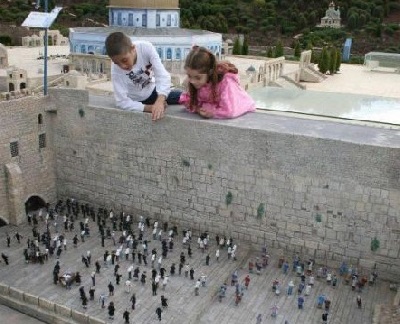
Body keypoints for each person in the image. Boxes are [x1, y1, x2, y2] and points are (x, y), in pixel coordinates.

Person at [105, 32, 181, 121]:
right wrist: (149, 108)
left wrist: (160, 100)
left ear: (133, 49)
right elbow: (121, 101)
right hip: (135, 101)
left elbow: (162, 75)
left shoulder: (146, 48)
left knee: (185, 97)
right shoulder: (115, 69)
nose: (122, 66)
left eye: (124, 60)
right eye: (117, 63)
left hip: (153, 92)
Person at [179, 46, 256, 119]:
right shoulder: (197, 81)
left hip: (238, 106)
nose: (192, 81)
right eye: (189, 76)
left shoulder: (225, 82)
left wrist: (213, 113)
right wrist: (198, 109)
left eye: (198, 78)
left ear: (210, 72)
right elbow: (186, 100)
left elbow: (230, 110)